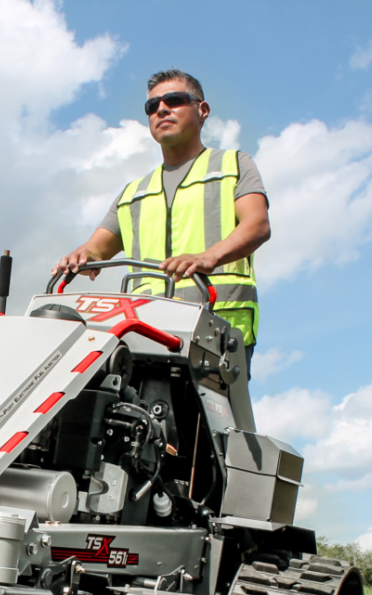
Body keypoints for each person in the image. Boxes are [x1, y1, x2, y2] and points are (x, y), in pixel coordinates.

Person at [53, 69, 271, 370]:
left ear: (202, 110)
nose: (162, 109)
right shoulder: (134, 193)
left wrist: (209, 256)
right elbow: (96, 249)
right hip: (146, 333)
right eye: (152, 106)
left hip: (216, 331)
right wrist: (82, 254)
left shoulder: (234, 165)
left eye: (174, 100)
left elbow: (257, 225)